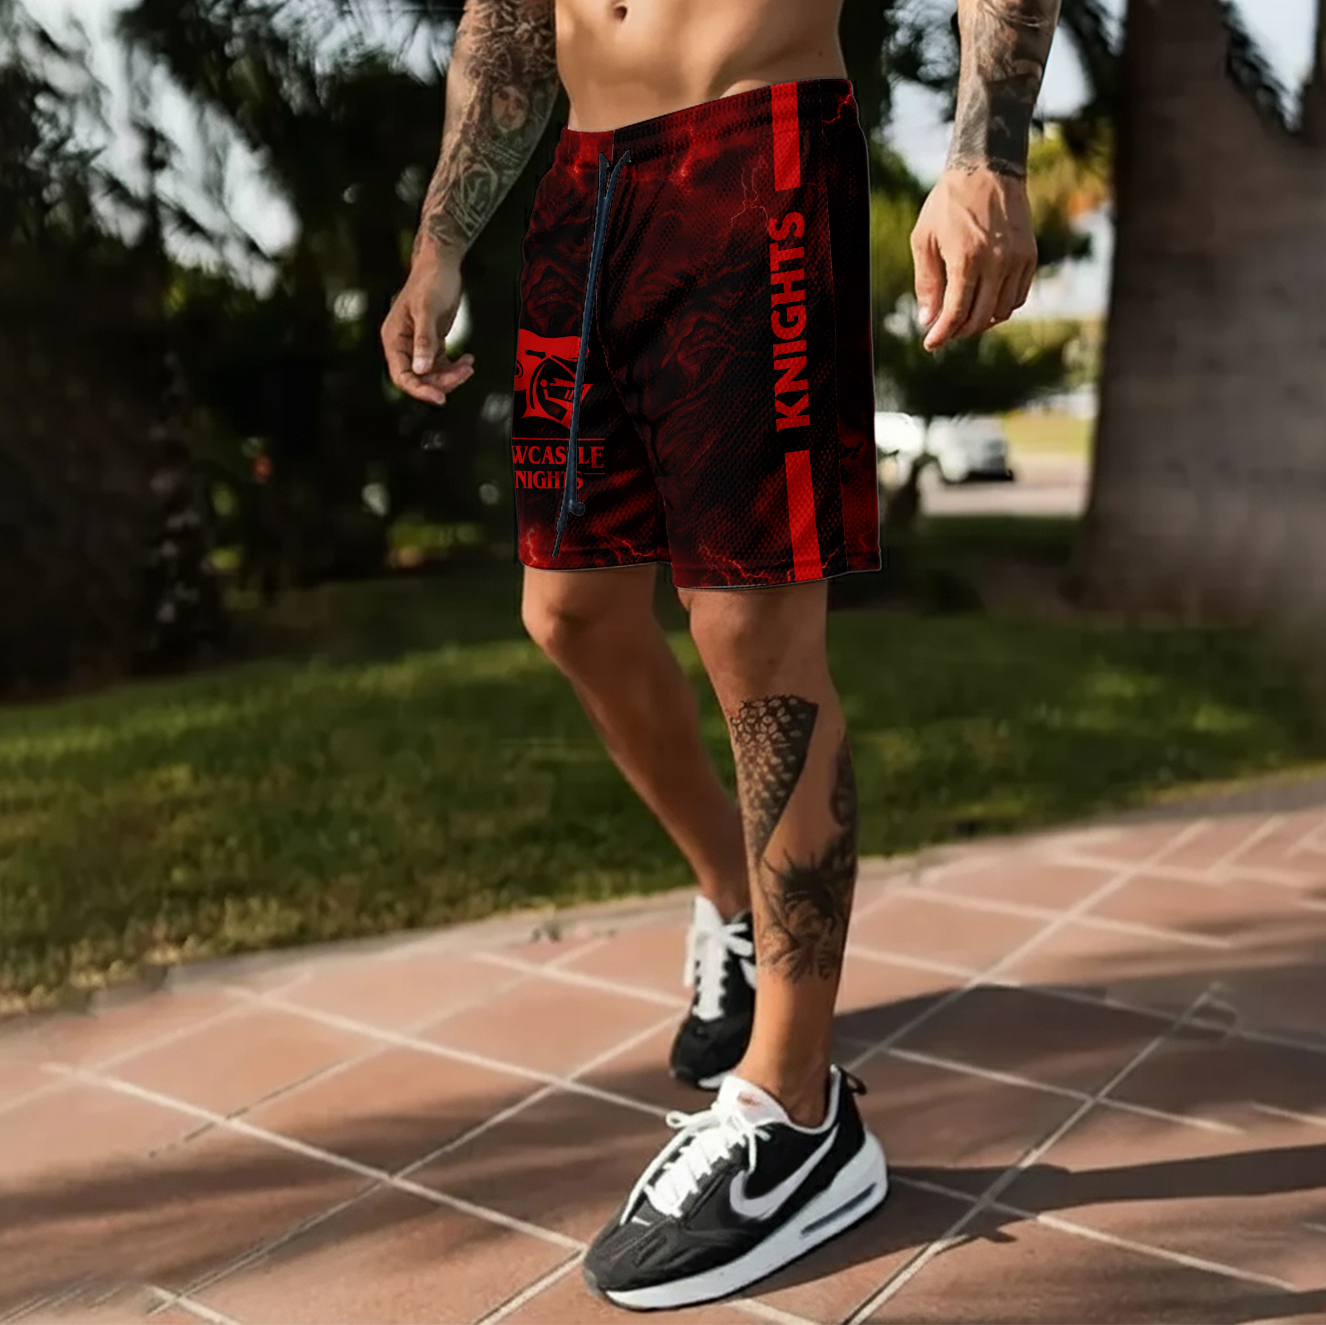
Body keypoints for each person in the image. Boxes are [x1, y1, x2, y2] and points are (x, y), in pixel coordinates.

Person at [382, 0, 1061, 1307]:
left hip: (756, 150)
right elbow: (508, 24)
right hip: (583, 188)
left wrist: (987, 154)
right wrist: (439, 240)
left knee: (750, 627)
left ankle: (796, 1110)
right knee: (568, 613)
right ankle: (737, 906)